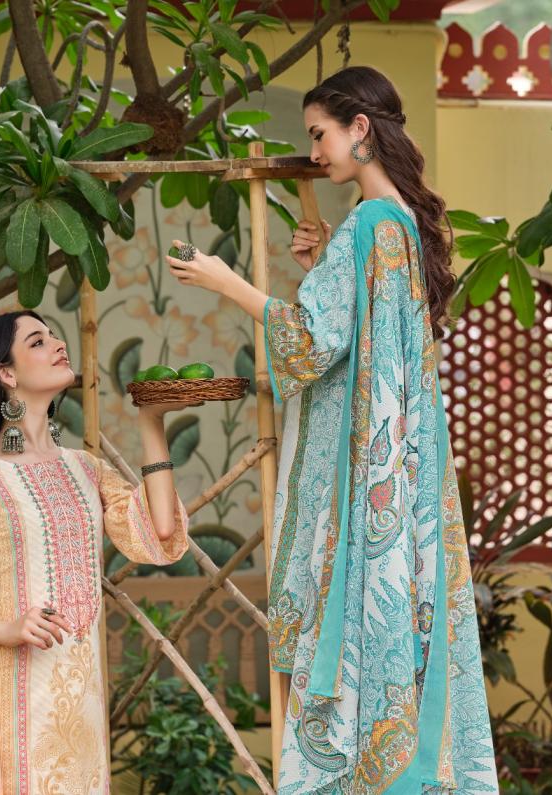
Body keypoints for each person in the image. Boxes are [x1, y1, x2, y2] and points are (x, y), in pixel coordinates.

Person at [166, 65, 499, 794]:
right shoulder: (399, 222)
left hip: (364, 473)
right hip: (400, 466)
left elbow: (315, 343)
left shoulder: (373, 223)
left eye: (320, 134)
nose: (314, 151)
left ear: (361, 129)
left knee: (350, 628)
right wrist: (324, 265)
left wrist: (228, 282)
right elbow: (364, 337)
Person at [0, 310, 194, 793]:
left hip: (84, 709)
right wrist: (8, 628)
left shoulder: (86, 469)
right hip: (9, 705)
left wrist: (151, 422)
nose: (58, 344)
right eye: (37, 341)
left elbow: (159, 534)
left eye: (55, 335)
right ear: (6, 373)